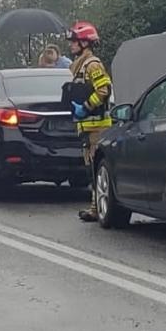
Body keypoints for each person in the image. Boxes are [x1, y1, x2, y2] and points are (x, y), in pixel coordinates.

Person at [64, 21, 114, 223]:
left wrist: (85, 106)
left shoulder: (92, 64)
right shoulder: (80, 66)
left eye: (74, 41)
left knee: (96, 170)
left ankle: (98, 208)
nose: (71, 45)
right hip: (87, 128)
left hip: (97, 128)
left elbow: (104, 90)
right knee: (90, 170)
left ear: (85, 43)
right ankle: (95, 207)